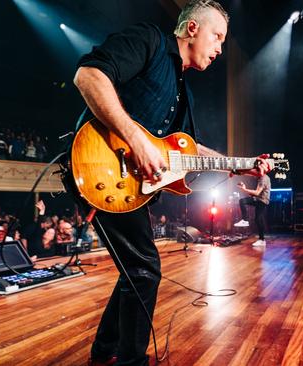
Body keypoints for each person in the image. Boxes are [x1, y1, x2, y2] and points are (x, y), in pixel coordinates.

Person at [73, 1, 269, 365]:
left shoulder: (185, 94)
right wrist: (135, 139)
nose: (220, 48)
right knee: (146, 270)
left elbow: (190, 151)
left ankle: (104, 350)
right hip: (101, 166)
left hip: (132, 188)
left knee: (136, 269)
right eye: (218, 37)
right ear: (192, 29)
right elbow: (88, 76)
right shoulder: (148, 40)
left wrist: (241, 165)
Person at [233, 175, 271, 246]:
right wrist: (244, 188)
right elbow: (256, 193)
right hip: (261, 200)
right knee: (258, 219)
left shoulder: (263, 178)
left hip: (261, 201)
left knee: (242, 201)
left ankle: (245, 220)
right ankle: (262, 240)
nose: (253, 176)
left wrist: (244, 189)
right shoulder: (262, 178)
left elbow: (257, 193)